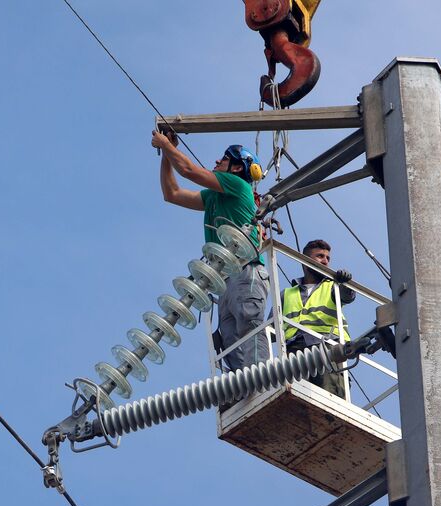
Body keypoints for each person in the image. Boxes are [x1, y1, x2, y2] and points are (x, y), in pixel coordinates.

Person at [151, 129, 266, 372]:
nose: (216, 161)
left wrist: (167, 145)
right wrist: (166, 154)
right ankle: (243, 392)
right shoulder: (215, 196)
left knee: (248, 325)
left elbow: (189, 171)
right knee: (230, 339)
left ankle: (263, 381)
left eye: (223, 159)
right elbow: (172, 194)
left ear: (236, 168)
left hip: (246, 271)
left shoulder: (237, 185)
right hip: (224, 279)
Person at [280, 238, 355, 398]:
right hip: (294, 353)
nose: (326, 261)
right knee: (294, 401)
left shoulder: (332, 286)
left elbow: (347, 296)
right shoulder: (287, 294)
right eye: (320, 256)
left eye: (328, 258)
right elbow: (271, 328)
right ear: (305, 260)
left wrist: (345, 284)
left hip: (326, 349)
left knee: (329, 398)